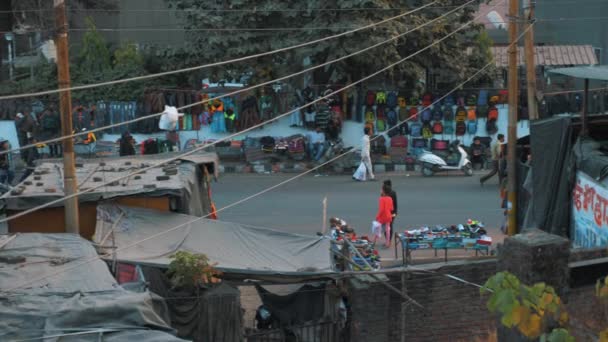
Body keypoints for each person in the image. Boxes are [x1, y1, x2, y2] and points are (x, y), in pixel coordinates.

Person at [383, 180, 398, 244]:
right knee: (390, 226)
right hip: (393, 212)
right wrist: (395, 212)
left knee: (386, 227)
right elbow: (395, 203)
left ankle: (387, 240)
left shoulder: (384, 194)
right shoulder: (393, 192)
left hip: (386, 213)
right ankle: (389, 240)